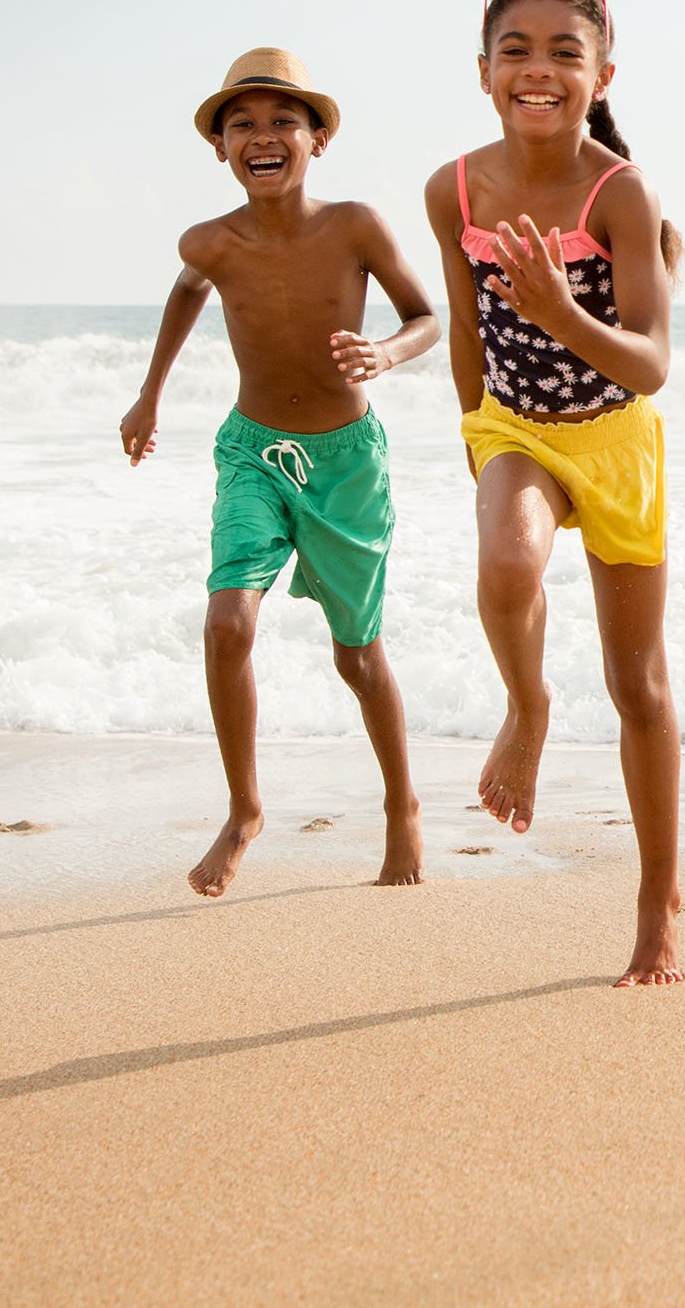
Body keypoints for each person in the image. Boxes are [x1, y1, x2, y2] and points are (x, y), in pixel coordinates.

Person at [121, 47, 443, 898]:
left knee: (358, 656)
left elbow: (425, 318)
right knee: (228, 622)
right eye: (242, 125)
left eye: (281, 122)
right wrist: (148, 396)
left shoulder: (355, 226)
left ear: (318, 138)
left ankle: (401, 803)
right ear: (221, 148)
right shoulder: (210, 240)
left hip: (347, 465)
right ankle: (243, 809)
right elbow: (189, 288)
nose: (262, 136)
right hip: (251, 452)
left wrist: (385, 352)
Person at [423, 0, 685, 986]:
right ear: (485, 72)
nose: (539, 70)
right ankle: (527, 706)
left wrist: (560, 312)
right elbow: (464, 335)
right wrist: (475, 443)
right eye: (517, 51)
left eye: (564, 53)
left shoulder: (621, 194)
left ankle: (657, 911)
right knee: (506, 563)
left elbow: (651, 361)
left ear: (601, 73)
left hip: (616, 438)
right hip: (515, 428)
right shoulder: (453, 187)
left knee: (640, 685)